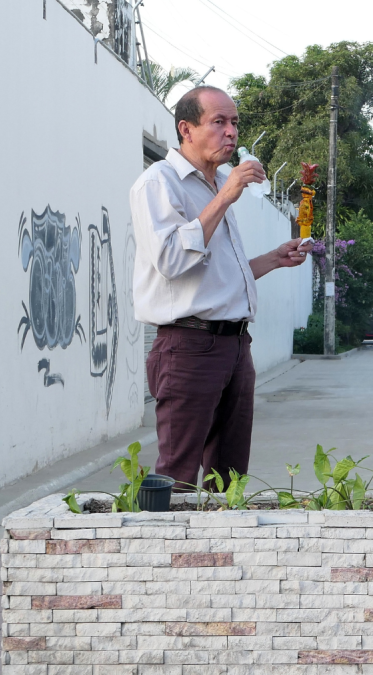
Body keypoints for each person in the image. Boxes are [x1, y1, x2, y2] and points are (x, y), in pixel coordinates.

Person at [129, 85, 313, 490]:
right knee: (176, 476)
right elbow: (173, 262)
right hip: (188, 346)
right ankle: (166, 553)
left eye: (234, 123)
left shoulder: (213, 186)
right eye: (218, 122)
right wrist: (228, 196)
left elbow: (215, 277)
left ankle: (221, 554)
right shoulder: (160, 183)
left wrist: (273, 259)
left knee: (229, 478)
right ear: (186, 129)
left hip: (234, 346)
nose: (231, 132)